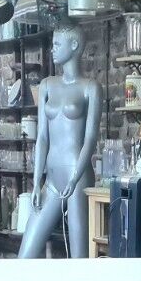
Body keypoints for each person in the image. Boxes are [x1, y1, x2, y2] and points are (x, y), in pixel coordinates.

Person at [19, 21, 100, 259]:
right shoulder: (46, 85)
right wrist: (36, 181)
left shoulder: (90, 88)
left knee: (79, 261)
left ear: (74, 45)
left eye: (57, 43)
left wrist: (75, 178)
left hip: (78, 175)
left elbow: (90, 139)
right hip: (52, 179)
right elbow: (42, 138)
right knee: (24, 258)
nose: (52, 48)